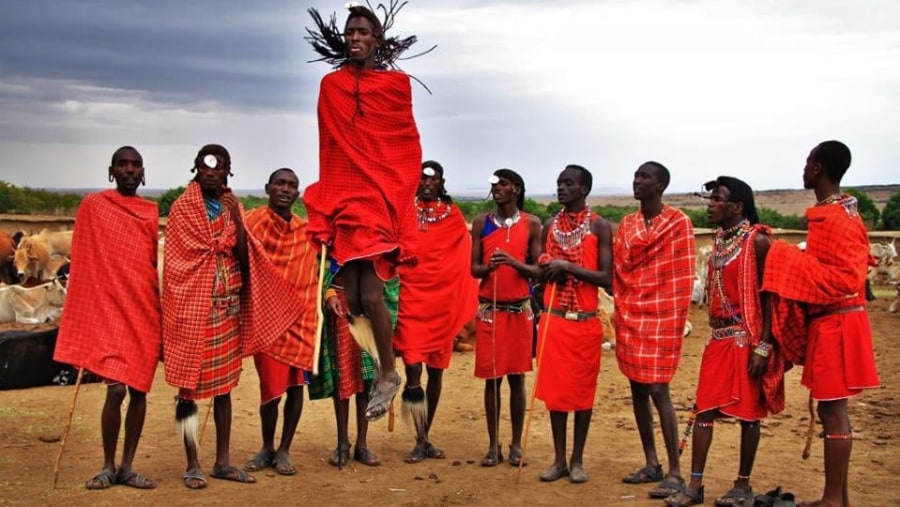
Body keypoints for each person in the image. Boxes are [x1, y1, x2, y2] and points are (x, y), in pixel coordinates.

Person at [303, 3, 426, 421]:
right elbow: (329, 144)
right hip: (344, 194)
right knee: (353, 298)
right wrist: (332, 199)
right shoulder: (331, 85)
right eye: (349, 32)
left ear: (377, 39)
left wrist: (396, 197)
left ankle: (389, 374)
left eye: (362, 32)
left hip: (380, 197)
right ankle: (381, 367)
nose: (354, 38)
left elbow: (405, 144)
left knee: (372, 294)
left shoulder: (396, 85)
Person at [162, 144, 306, 489]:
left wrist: (237, 222)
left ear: (228, 171)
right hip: (191, 309)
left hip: (226, 309)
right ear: (196, 168)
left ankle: (222, 461)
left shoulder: (232, 209)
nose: (211, 171)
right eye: (205, 165)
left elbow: (244, 256)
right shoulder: (183, 209)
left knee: (224, 388)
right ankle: (192, 462)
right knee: (188, 391)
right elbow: (177, 263)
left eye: (219, 166)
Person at [761, 141, 880, 507]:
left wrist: (780, 254)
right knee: (833, 409)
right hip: (836, 323)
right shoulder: (836, 214)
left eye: (807, 162)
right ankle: (838, 499)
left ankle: (831, 500)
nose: (803, 168)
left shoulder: (836, 218)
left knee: (832, 410)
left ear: (818, 169)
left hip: (838, 325)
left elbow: (845, 279)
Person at [665, 177, 787, 507]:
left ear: (736, 206)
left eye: (717, 199)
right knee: (703, 411)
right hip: (717, 339)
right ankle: (695, 486)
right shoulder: (720, 242)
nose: (710, 204)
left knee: (749, 416)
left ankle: (742, 486)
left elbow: (769, 299)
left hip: (746, 340)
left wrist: (763, 347)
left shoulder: (758, 243)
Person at [53, 146, 161, 490]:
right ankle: (107, 464)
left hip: (143, 310)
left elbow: (151, 264)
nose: (129, 170)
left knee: (139, 391)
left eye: (135, 165)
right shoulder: (94, 207)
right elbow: (84, 259)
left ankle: (128, 466)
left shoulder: (149, 211)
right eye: (122, 165)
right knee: (115, 391)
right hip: (110, 311)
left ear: (143, 172)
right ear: (111, 170)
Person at [614, 161, 695, 498]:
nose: (637, 181)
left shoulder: (678, 223)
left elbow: (682, 275)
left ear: (660, 185)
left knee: (659, 390)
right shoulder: (628, 223)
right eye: (635, 175)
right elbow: (620, 268)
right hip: (631, 313)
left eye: (644, 177)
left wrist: (669, 313)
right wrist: (626, 303)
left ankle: (675, 471)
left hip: (662, 316)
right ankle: (652, 463)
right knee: (637, 389)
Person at [393, 160, 477, 463]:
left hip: (441, 304)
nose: (427, 183)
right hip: (411, 300)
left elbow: (461, 257)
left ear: (442, 183)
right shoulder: (403, 212)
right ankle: (419, 437)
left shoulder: (452, 216)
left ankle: (424, 438)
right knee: (413, 369)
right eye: (422, 178)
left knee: (437, 371)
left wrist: (455, 294)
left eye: (433, 179)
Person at [534, 164, 613, 484]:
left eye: (568, 184)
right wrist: (546, 266)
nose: (561, 188)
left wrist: (568, 265)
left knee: (581, 393)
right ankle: (559, 460)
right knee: (556, 394)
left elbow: (607, 278)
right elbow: (540, 271)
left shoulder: (600, 227)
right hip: (554, 321)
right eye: (558, 183)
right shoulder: (549, 226)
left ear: (584, 189)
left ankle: (578, 459)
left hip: (584, 322)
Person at [242, 168, 319, 477]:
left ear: (297, 194)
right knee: (270, 389)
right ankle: (266, 446)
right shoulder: (251, 224)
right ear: (268, 188)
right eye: (280, 184)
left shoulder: (307, 232)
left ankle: (285, 448)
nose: (285, 189)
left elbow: (315, 271)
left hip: (301, 320)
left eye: (291, 186)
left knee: (296, 387)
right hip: (267, 320)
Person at [470, 168, 541, 467]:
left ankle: (514, 444)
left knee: (516, 379)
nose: (497, 189)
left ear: (517, 189)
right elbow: (474, 268)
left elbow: (538, 270)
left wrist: (512, 262)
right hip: (490, 311)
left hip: (519, 311)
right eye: (494, 185)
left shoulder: (532, 224)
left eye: (503, 184)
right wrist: (488, 269)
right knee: (491, 380)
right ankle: (492, 445)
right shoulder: (481, 223)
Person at [308, 266, 399, 467]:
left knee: (366, 377)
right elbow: (318, 263)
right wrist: (328, 293)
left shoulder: (374, 236)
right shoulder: (335, 234)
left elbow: (388, 269)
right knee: (343, 374)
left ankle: (362, 444)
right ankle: (342, 443)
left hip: (370, 307)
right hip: (339, 301)